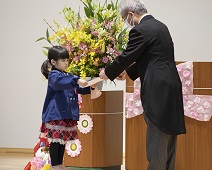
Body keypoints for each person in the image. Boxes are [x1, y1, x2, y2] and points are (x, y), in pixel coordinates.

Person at [99, 0, 186, 169]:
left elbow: (128, 56)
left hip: (157, 89)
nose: (126, 22)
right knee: (168, 135)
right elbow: (152, 57)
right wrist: (129, 73)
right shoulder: (161, 26)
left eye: (125, 18)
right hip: (171, 85)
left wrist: (108, 72)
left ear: (131, 14)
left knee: (157, 135)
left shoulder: (140, 30)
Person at [40, 46, 96, 170]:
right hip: (56, 114)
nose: (66, 63)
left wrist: (91, 85)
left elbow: (79, 88)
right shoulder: (54, 75)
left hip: (65, 114)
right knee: (56, 140)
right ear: (53, 62)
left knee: (62, 140)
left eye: (67, 60)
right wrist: (76, 80)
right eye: (63, 60)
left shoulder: (68, 76)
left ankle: (59, 164)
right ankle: (55, 165)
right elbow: (62, 82)